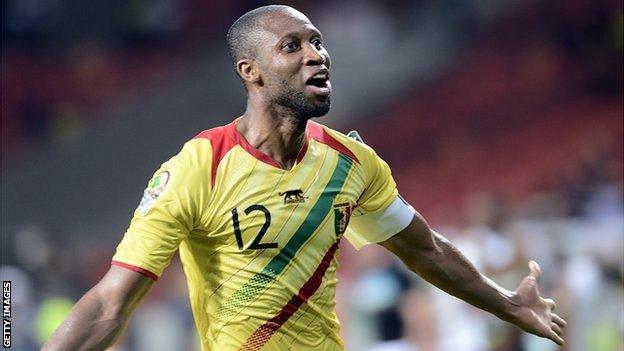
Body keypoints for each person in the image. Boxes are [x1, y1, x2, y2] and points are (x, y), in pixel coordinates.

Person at [43, 5, 567, 351]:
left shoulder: (353, 163)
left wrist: (506, 302)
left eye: (317, 42)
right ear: (251, 71)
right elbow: (113, 302)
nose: (316, 55)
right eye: (291, 47)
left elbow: (425, 249)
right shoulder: (198, 167)